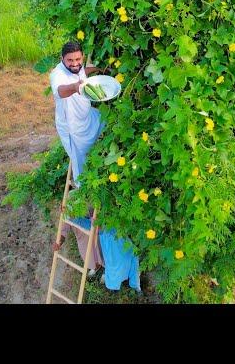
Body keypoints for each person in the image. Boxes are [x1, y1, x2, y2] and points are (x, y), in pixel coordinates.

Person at [49, 41, 141, 292]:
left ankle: (107, 155)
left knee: (105, 122)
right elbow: (64, 90)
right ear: (62, 59)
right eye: (71, 61)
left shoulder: (79, 67)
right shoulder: (58, 76)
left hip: (88, 119)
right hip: (74, 131)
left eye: (78, 59)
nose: (76, 64)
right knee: (82, 168)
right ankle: (86, 186)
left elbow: (84, 71)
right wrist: (79, 85)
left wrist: (96, 71)